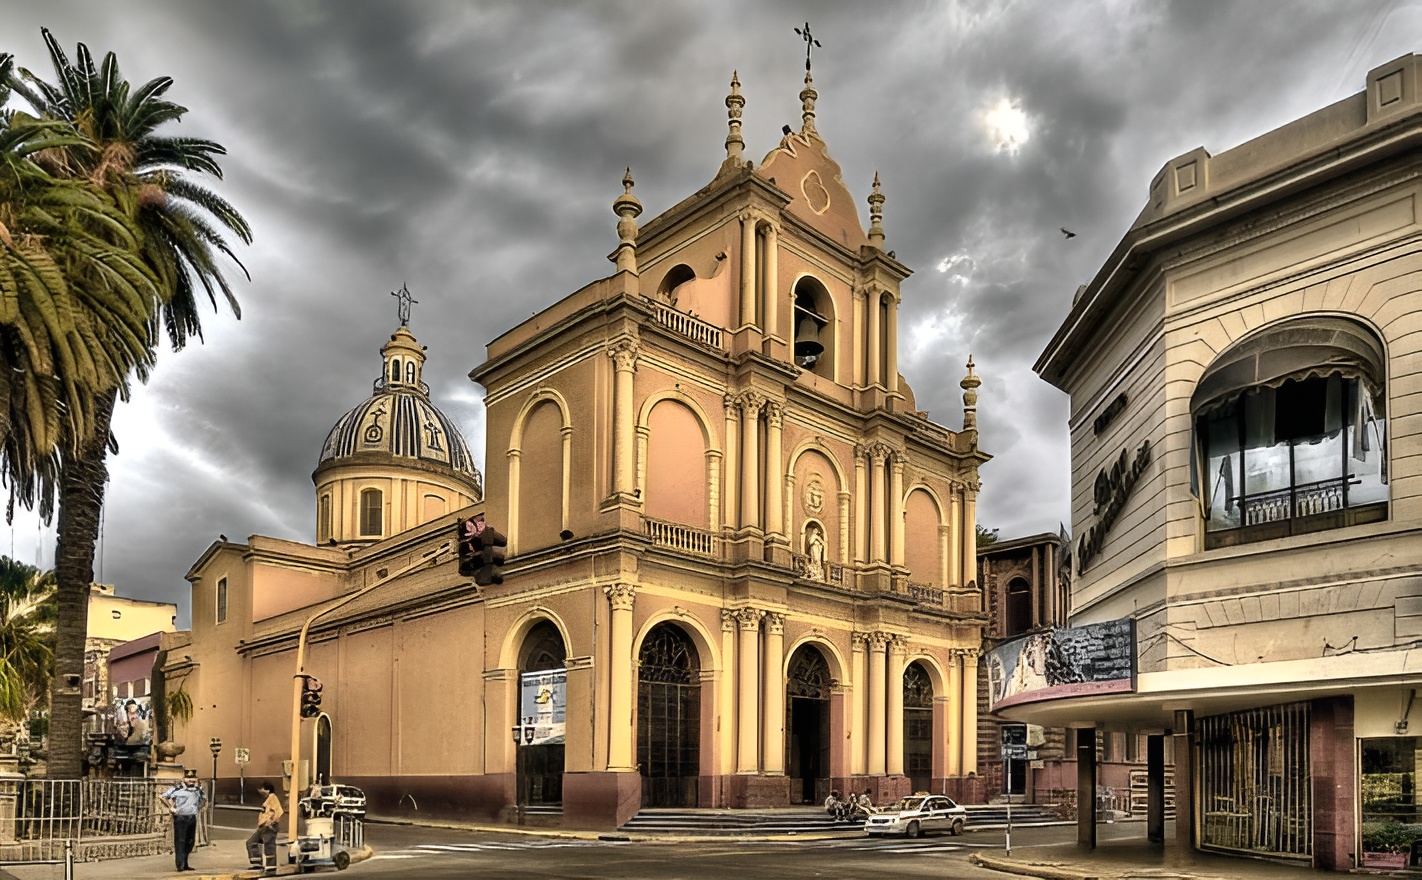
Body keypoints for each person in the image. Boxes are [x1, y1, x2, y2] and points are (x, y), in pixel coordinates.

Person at [160, 768, 207, 872]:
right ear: (184, 779)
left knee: (190, 842)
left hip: (192, 817)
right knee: (180, 841)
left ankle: (185, 864)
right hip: (181, 817)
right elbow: (163, 796)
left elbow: (203, 799)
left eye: (193, 778)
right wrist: (171, 807)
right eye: (188, 778)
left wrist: (197, 808)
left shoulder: (198, 789)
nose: (191, 780)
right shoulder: (177, 789)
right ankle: (180, 865)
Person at [247, 780, 283, 875]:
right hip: (263, 826)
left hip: (269, 826)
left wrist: (272, 821)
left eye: (261, 789)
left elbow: (279, 811)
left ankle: (271, 868)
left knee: (269, 846)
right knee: (251, 842)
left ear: (267, 790)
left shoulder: (273, 798)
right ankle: (257, 863)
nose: (260, 792)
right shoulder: (268, 799)